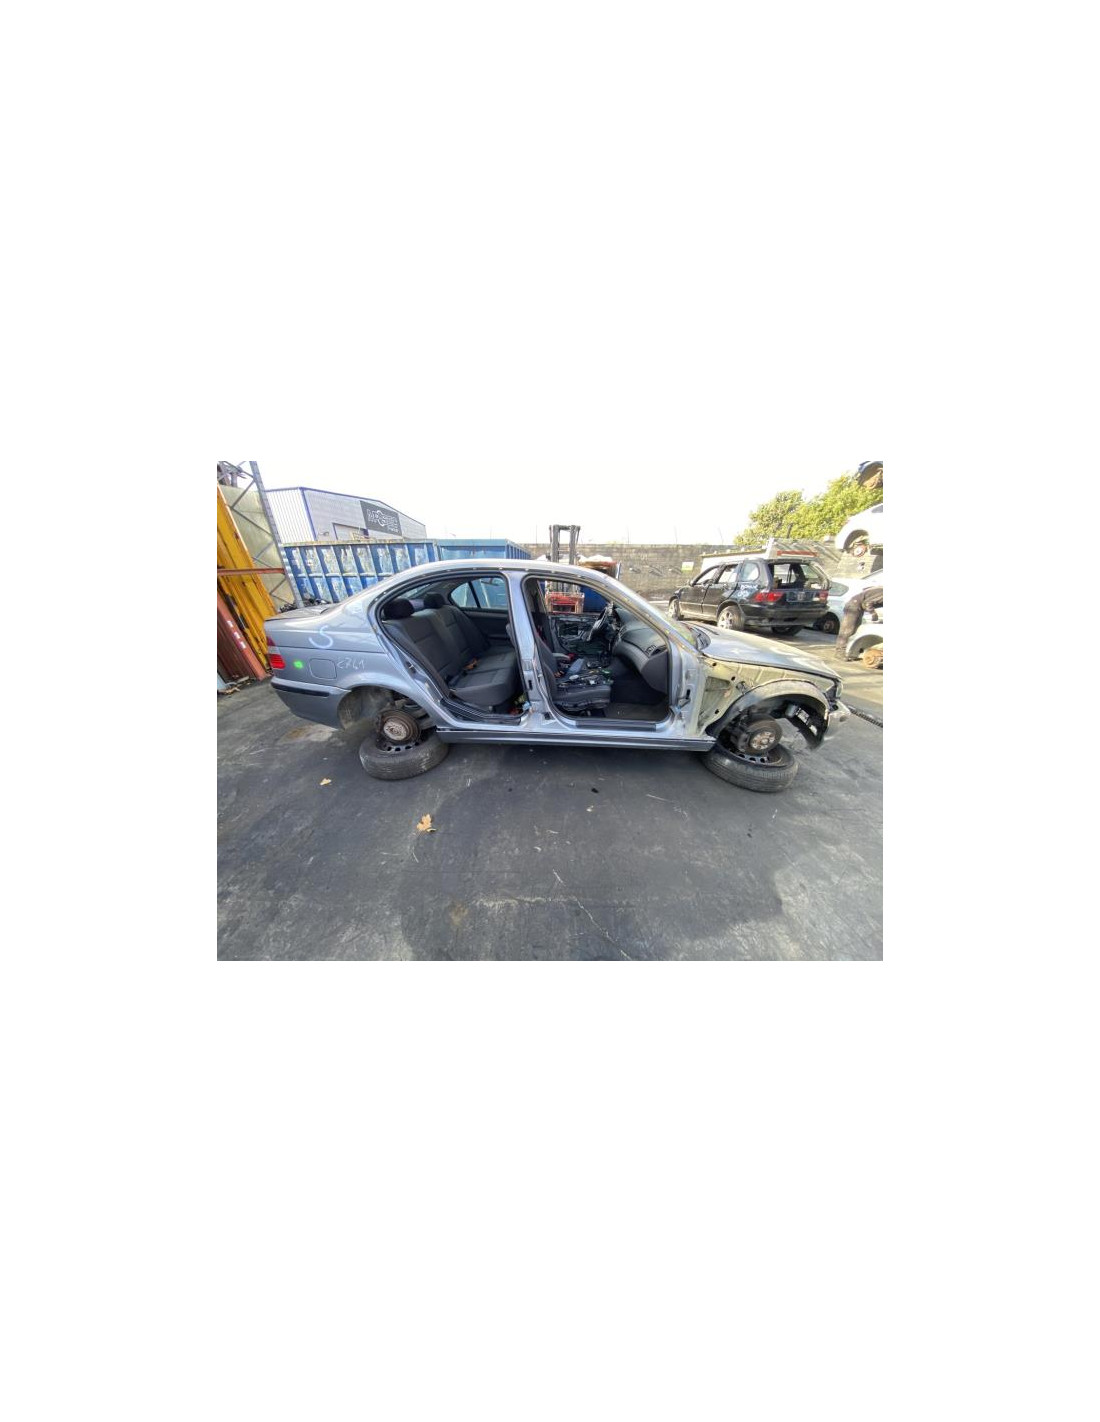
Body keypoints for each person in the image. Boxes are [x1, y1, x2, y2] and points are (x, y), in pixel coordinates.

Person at [835, 585, 883, 659]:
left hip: (857, 606)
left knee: (854, 630)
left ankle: (848, 652)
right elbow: (867, 603)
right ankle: (839, 652)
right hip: (853, 606)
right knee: (847, 631)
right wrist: (873, 613)